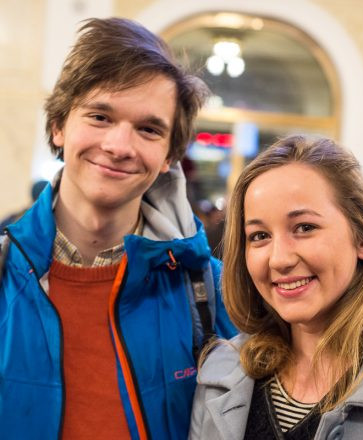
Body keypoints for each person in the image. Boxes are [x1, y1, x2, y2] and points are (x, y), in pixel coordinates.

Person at [0, 17, 236, 440]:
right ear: (59, 126)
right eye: (100, 116)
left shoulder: (211, 294)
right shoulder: (4, 274)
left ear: (169, 156)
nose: (119, 147)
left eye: (148, 129)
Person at [189, 135, 363, 439]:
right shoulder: (221, 373)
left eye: (305, 228)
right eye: (259, 236)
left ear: (362, 239)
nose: (278, 259)